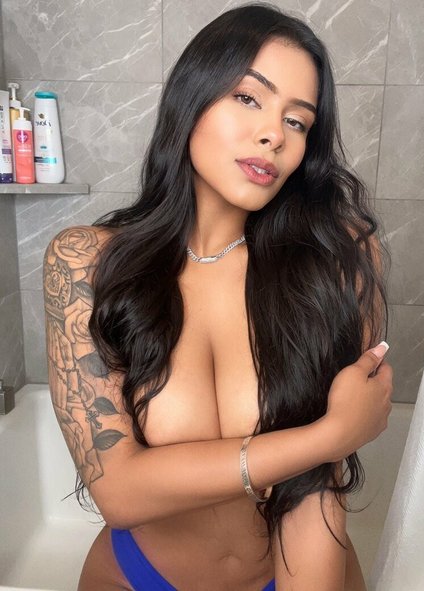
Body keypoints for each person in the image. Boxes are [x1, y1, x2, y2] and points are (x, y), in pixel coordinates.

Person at [43, 3, 393, 590]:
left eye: (298, 121)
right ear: (192, 99)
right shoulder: (88, 262)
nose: (273, 135)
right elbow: (119, 492)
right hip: (139, 574)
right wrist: (327, 437)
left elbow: (314, 493)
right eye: (249, 98)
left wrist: (324, 451)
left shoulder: (336, 259)